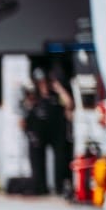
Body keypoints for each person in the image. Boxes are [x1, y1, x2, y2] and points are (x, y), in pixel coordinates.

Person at [21, 67, 74, 196]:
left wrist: (59, 88)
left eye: (44, 81)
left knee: (60, 159)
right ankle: (40, 186)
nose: (42, 84)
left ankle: (59, 186)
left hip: (56, 131)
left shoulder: (55, 95)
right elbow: (25, 114)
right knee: (37, 159)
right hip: (40, 133)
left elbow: (69, 104)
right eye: (39, 82)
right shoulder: (34, 96)